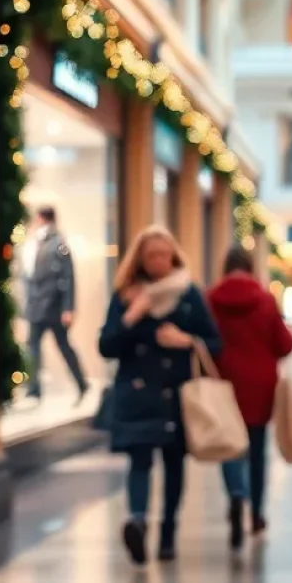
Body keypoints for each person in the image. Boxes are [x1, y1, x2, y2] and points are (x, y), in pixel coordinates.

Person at [99, 225, 221, 565]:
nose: (158, 261)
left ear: (174, 256)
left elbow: (214, 342)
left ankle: (168, 531)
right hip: (138, 392)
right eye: (151, 255)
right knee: (139, 460)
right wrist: (132, 316)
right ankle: (137, 523)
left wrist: (187, 340)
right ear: (140, 259)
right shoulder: (126, 295)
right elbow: (106, 345)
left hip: (176, 393)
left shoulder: (188, 294)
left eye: (164, 254)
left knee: (173, 464)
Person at [208, 247, 292, 546]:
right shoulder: (265, 300)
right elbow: (284, 345)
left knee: (229, 446)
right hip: (260, 385)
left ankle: (236, 493)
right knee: (256, 451)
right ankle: (256, 513)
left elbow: (206, 342)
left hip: (223, 384)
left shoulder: (211, 300)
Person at [24, 206, 88, 404]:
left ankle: (81, 383)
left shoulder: (59, 244)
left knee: (63, 346)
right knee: (33, 345)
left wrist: (68, 308)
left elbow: (68, 276)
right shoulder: (38, 243)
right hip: (38, 306)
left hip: (53, 306)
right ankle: (34, 389)